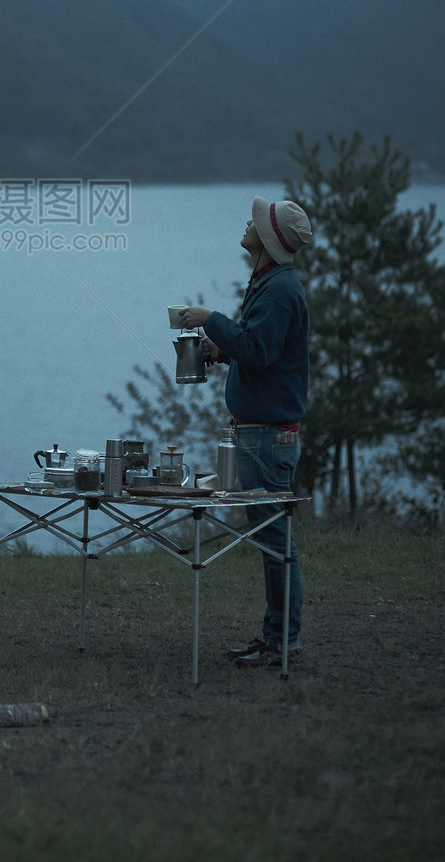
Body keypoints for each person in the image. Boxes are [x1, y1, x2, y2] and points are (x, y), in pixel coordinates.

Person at [179, 195, 312, 667]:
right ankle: (277, 637)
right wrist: (223, 350)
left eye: (255, 222)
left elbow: (257, 350)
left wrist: (210, 319)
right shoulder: (270, 282)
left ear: (269, 239)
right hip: (260, 433)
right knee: (272, 538)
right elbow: (259, 348)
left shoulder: (278, 290)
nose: (247, 224)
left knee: (275, 539)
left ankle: (282, 642)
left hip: (267, 437)